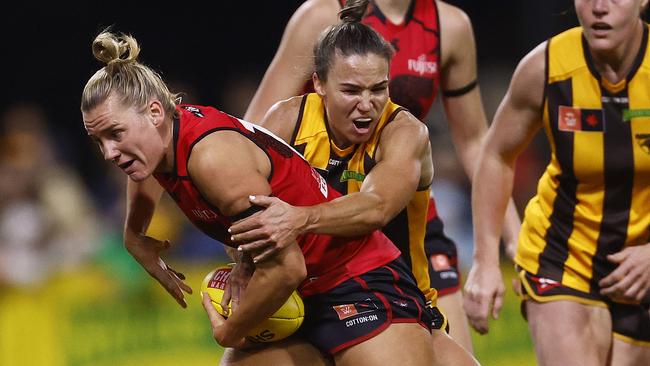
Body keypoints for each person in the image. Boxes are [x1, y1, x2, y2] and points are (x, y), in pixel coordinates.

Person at [81, 30, 442, 366]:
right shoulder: (160, 142)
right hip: (296, 292)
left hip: (356, 281)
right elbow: (145, 170)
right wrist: (135, 235)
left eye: (115, 134)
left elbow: (288, 267)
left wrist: (229, 331)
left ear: (155, 113)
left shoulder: (213, 160)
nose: (110, 152)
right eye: (99, 141)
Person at [236, 0, 522, 352]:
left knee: (438, 345)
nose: (367, 103)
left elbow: (476, 143)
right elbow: (246, 150)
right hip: (318, 240)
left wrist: (503, 248)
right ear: (319, 83)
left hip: (400, 220)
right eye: (352, 90)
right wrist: (245, 258)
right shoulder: (318, 18)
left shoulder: (449, 27)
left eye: (378, 89)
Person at [465, 0, 650, 365]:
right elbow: (495, 156)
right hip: (561, 256)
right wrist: (485, 261)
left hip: (640, 264)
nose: (599, 7)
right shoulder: (545, 67)